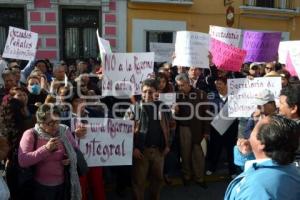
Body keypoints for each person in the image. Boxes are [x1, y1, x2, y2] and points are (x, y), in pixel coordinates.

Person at [225, 115, 300, 200]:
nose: (248, 137)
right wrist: (248, 154)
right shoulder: (290, 169)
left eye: (253, 130)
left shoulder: (256, 188)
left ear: (261, 144)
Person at [18, 104, 81, 200]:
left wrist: (69, 158)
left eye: (57, 121)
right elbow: (23, 161)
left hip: (64, 184)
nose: (55, 126)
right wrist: (46, 149)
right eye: (50, 123)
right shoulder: (30, 134)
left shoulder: (63, 130)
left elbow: (75, 149)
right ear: (40, 122)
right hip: (41, 187)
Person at [125, 78, 171, 200]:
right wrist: (133, 148)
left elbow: (172, 127)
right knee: (138, 182)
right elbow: (125, 131)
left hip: (159, 152)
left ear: (156, 92)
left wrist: (168, 145)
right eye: (144, 91)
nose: (147, 95)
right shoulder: (134, 109)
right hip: (141, 152)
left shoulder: (164, 107)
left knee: (157, 180)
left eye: (150, 92)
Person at [174, 73, 209, 187]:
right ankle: (187, 176)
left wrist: (206, 131)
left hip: (198, 128)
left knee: (198, 154)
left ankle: (200, 178)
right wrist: (175, 110)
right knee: (185, 154)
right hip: (184, 129)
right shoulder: (176, 96)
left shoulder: (201, 94)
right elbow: (172, 116)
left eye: (182, 85)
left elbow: (207, 114)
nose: (180, 88)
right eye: (178, 85)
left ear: (188, 83)